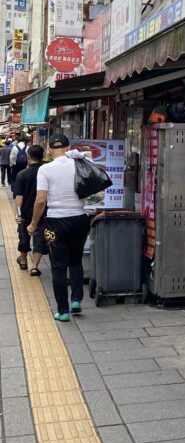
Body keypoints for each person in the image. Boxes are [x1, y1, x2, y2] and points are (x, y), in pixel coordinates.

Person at [28, 133, 91, 322]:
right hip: (80, 219)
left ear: (49, 150)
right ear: (68, 147)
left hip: (56, 221)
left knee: (58, 267)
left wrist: (33, 223)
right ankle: (76, 300)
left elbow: (40, 200)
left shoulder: (45, 169)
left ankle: (63, 311)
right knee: (76, 260)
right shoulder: (79, 163)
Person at [13, 144, 47, 275]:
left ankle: (23, 261)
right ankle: (34, 267)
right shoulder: (46, 172)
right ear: (42, 157)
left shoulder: (22, 174)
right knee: (39, 238)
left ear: (28, 158)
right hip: (43, 212)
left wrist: (17, 213)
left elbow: (19, 196)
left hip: (25, 212)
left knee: (23, 237)